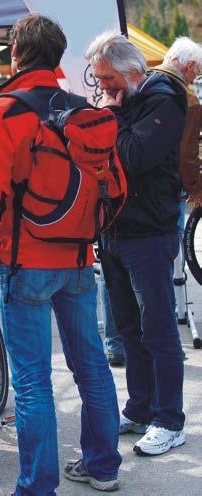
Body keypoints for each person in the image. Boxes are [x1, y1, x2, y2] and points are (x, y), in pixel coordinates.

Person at [0, 14, 121, 495]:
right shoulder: (84, 110)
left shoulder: (2, 112)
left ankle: (37, 486)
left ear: (15, 52)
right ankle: (103, 466)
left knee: (33, 381)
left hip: (25, 260)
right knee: (91, 365)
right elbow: (115, 188)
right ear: (58, 56)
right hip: (77, 259)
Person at [86, 32, 187, 456]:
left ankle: (170, 420)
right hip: (114, 231)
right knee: (128, 327)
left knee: (158, 328)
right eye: (98, 80)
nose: (102, 89)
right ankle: (141, 407)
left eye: (107, 79)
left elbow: (131, 157)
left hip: (148, 232)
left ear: (132, 73)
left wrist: (108, 117)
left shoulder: (164, 99)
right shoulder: (127, 101)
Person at [153, 37, 202, 225]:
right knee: (175, 242)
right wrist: (196, 188)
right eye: (196, 74)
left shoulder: (144, 82)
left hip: (142, 187)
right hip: (170, 183)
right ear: (189, 65)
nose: (193, 80)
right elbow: (186, 153)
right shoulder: (187, 98)